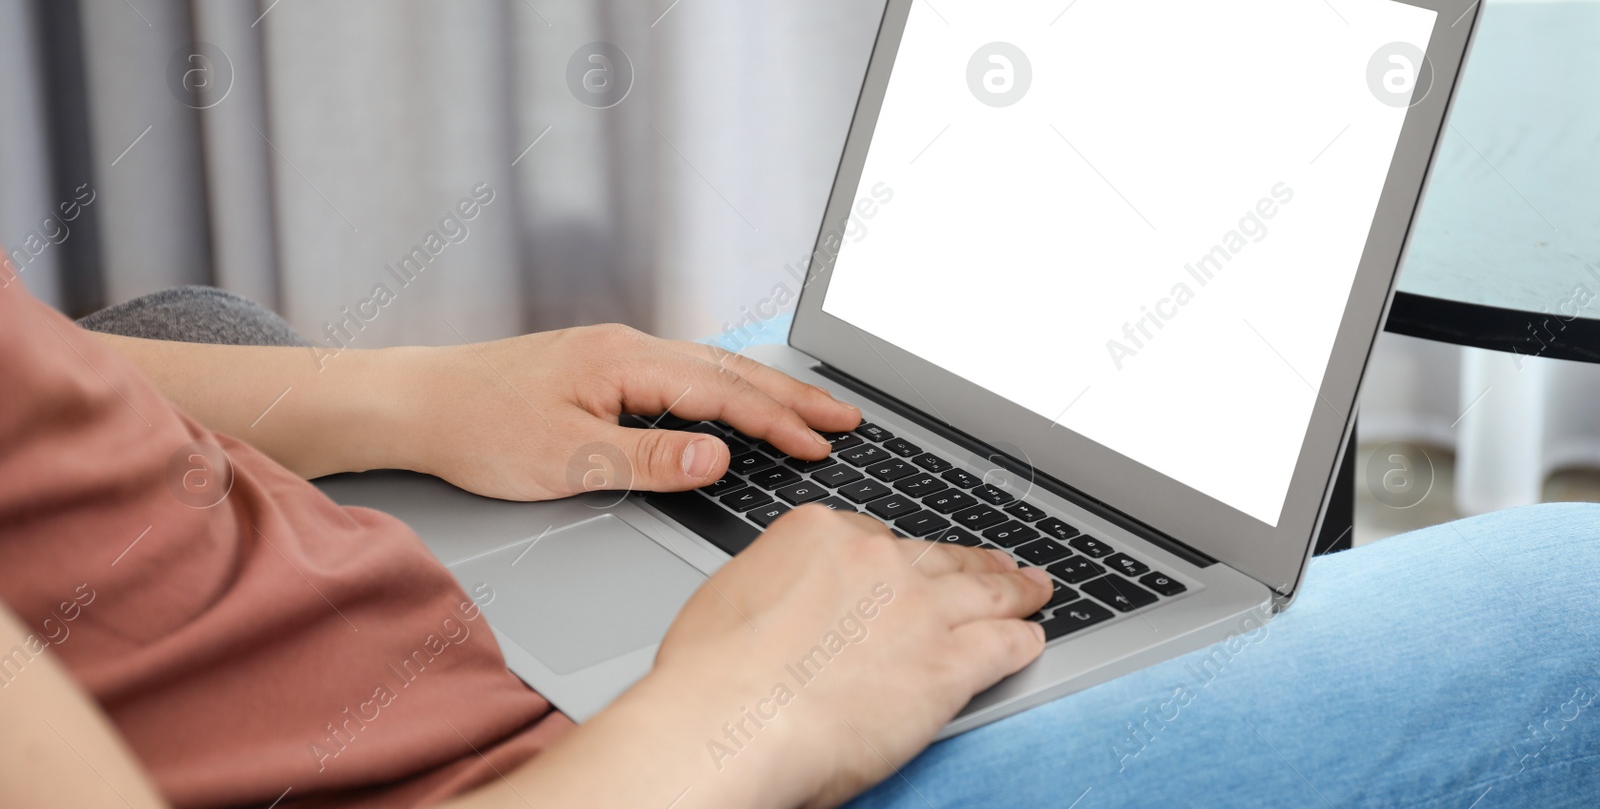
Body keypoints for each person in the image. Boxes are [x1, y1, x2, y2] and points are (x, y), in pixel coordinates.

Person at [0, 278, 1595, 809]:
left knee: (832, 380)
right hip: (572, 770)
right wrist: (732, 725)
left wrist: (399, 395)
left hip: (317, 612)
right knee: (1571, 599)